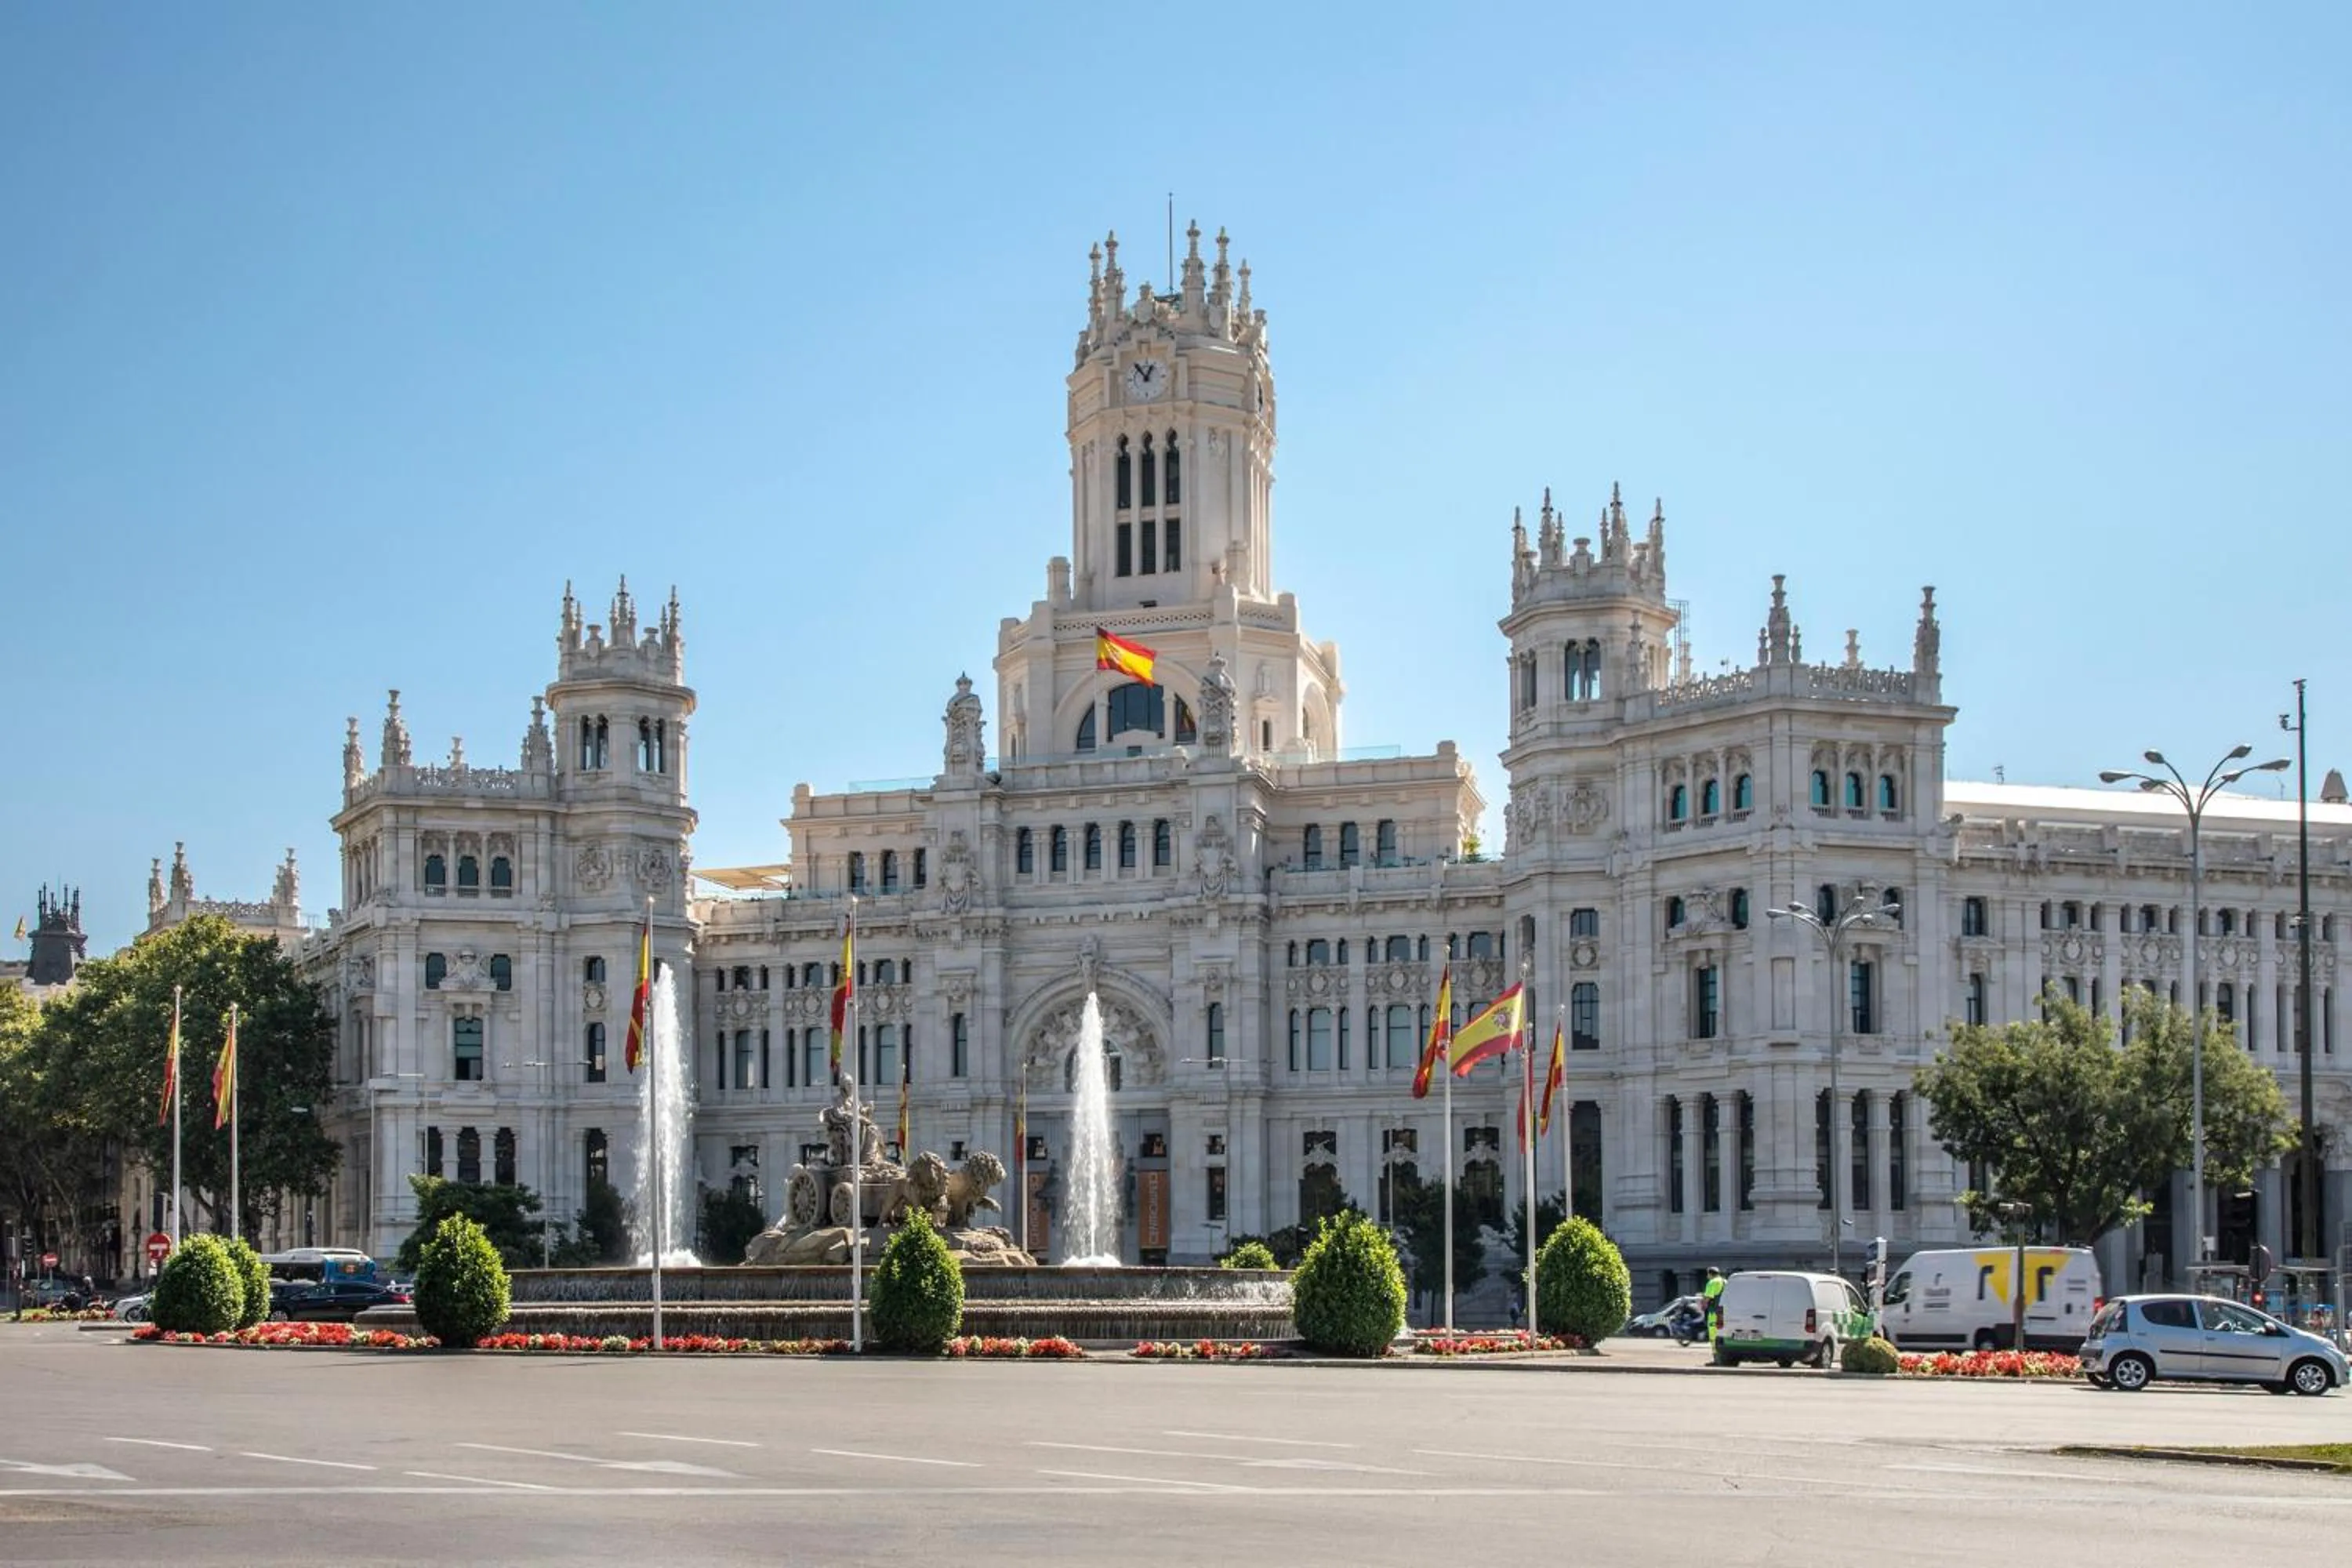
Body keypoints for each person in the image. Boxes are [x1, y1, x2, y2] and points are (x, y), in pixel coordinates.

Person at [1702, 1267, 1726, 1347]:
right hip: (1724, 1312)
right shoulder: (1725, 1281)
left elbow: (1708, 1297)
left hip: (1714, 1312)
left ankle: (1715, 1351)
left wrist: (1703, 1306)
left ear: (1710, 1274)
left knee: (1713, 1332)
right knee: (1722, 1332)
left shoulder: (1712, 1282)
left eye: (1707, 1274)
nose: (1707, 1276)